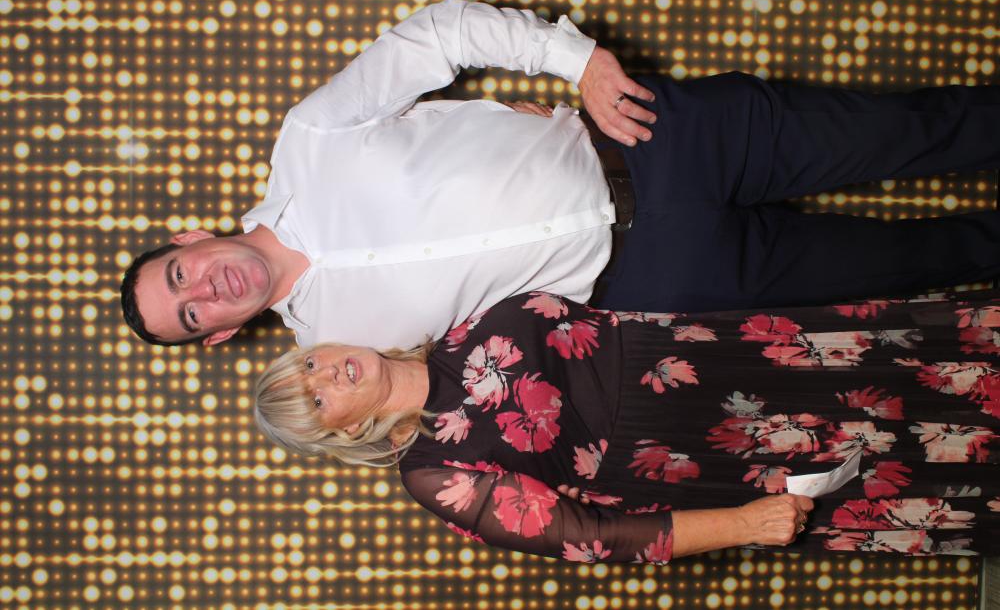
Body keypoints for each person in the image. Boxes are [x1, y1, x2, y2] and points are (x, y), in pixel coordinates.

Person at [121, 0, 1000, 349]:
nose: (204, 289)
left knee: (912, 130)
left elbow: (436, 35)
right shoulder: (335, 356)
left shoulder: (308, 139)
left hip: (649, 137)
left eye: (179, 274)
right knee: (911, 266)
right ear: (218, 335)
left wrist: (573, 61)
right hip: (657, 279)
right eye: (191, 312)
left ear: (191, 238)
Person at [253, 291, 1000, 562]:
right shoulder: (431, 473)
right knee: (921, 459)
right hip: (696, 452)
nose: (328, 375)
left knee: (920, 368)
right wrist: (743, 523)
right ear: (340, 433)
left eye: (310, 363)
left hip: (721, 351)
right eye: (314, 399)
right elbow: (590, 536)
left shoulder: (447, 330)